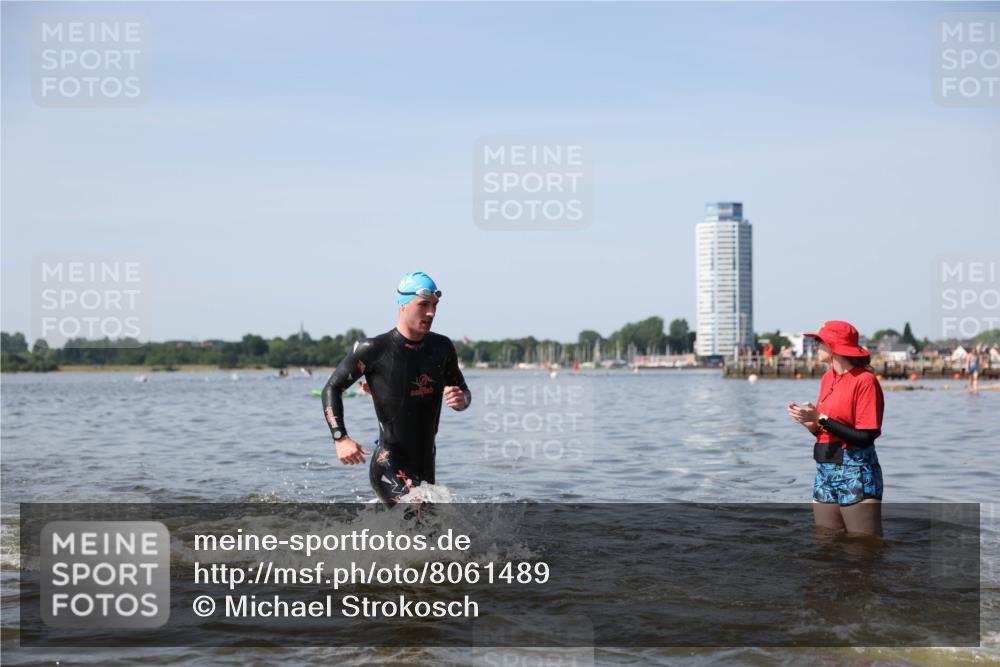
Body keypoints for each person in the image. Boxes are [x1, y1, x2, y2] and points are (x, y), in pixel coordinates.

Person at [321, 271, 471, 505]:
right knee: (418, 513)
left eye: (434, 305)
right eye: (423, 305)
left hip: (426, 464)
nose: (431, 313)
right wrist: (341, 438)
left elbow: (463, 392)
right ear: (403, 305)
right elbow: (332, 388)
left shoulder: (441, 347)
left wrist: (462, 400)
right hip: (389, 464)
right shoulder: (373, 349)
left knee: (431, 524)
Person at [787, 321, 884, 536]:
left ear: (835, 347)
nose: (816, 345)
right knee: (825, 543)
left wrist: (820, 419)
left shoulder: (865, 381)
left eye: (820, 341)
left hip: (856, 471)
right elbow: (826, 428)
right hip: (824, 469)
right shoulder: (827, 378)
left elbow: (866, 437)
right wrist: (811, 423)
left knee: (864, 546)